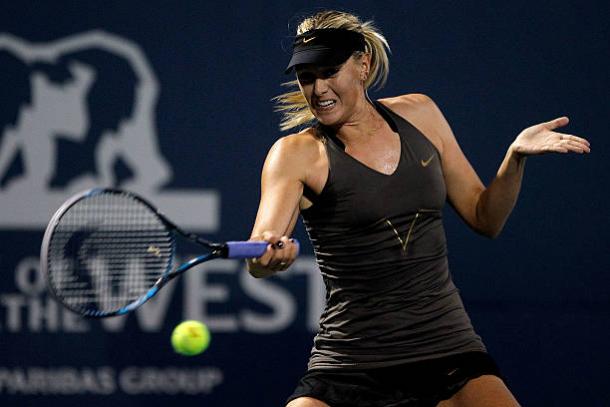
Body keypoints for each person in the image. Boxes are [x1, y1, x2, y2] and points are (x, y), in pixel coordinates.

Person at [247, 10, 590, 407]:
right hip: (348, 363)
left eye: (329, 71)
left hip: (448, 351)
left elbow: (485, 217)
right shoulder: (295, 154)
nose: (318, 88)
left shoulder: (421, 114)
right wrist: (268, 256)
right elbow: (261, 248)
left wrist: (514, 157)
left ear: (363, 64)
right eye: (307, 76)